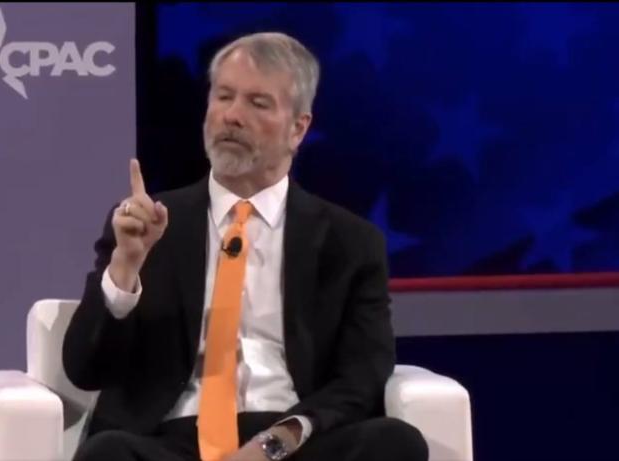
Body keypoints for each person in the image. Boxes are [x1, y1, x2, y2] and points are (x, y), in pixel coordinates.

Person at [62, 32, 428, 461]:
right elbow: (85, 370)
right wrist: (126, 266)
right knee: (108, 454)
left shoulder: (350, 242)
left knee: (397, 443)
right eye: (223, 97)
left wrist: (275, 442)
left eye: (258, 103)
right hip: (173, 440)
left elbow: (363, 375)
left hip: (294, 440)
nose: (232, 116)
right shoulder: (148, 225)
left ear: (298, 129)